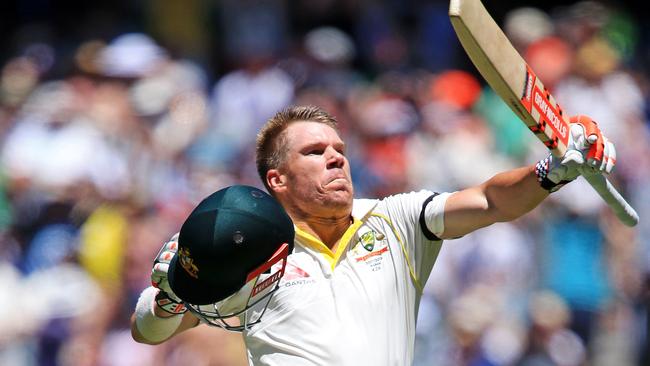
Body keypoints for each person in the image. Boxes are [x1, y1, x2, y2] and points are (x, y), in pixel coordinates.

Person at [131, 105, 616, 365]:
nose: (336, 157)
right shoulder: (250, 247)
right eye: (315, 152)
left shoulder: (396, 219)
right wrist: (170, 296)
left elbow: (491, 200)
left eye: (339, 148)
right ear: (277, 179)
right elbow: (148, 331)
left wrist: (551, 172)